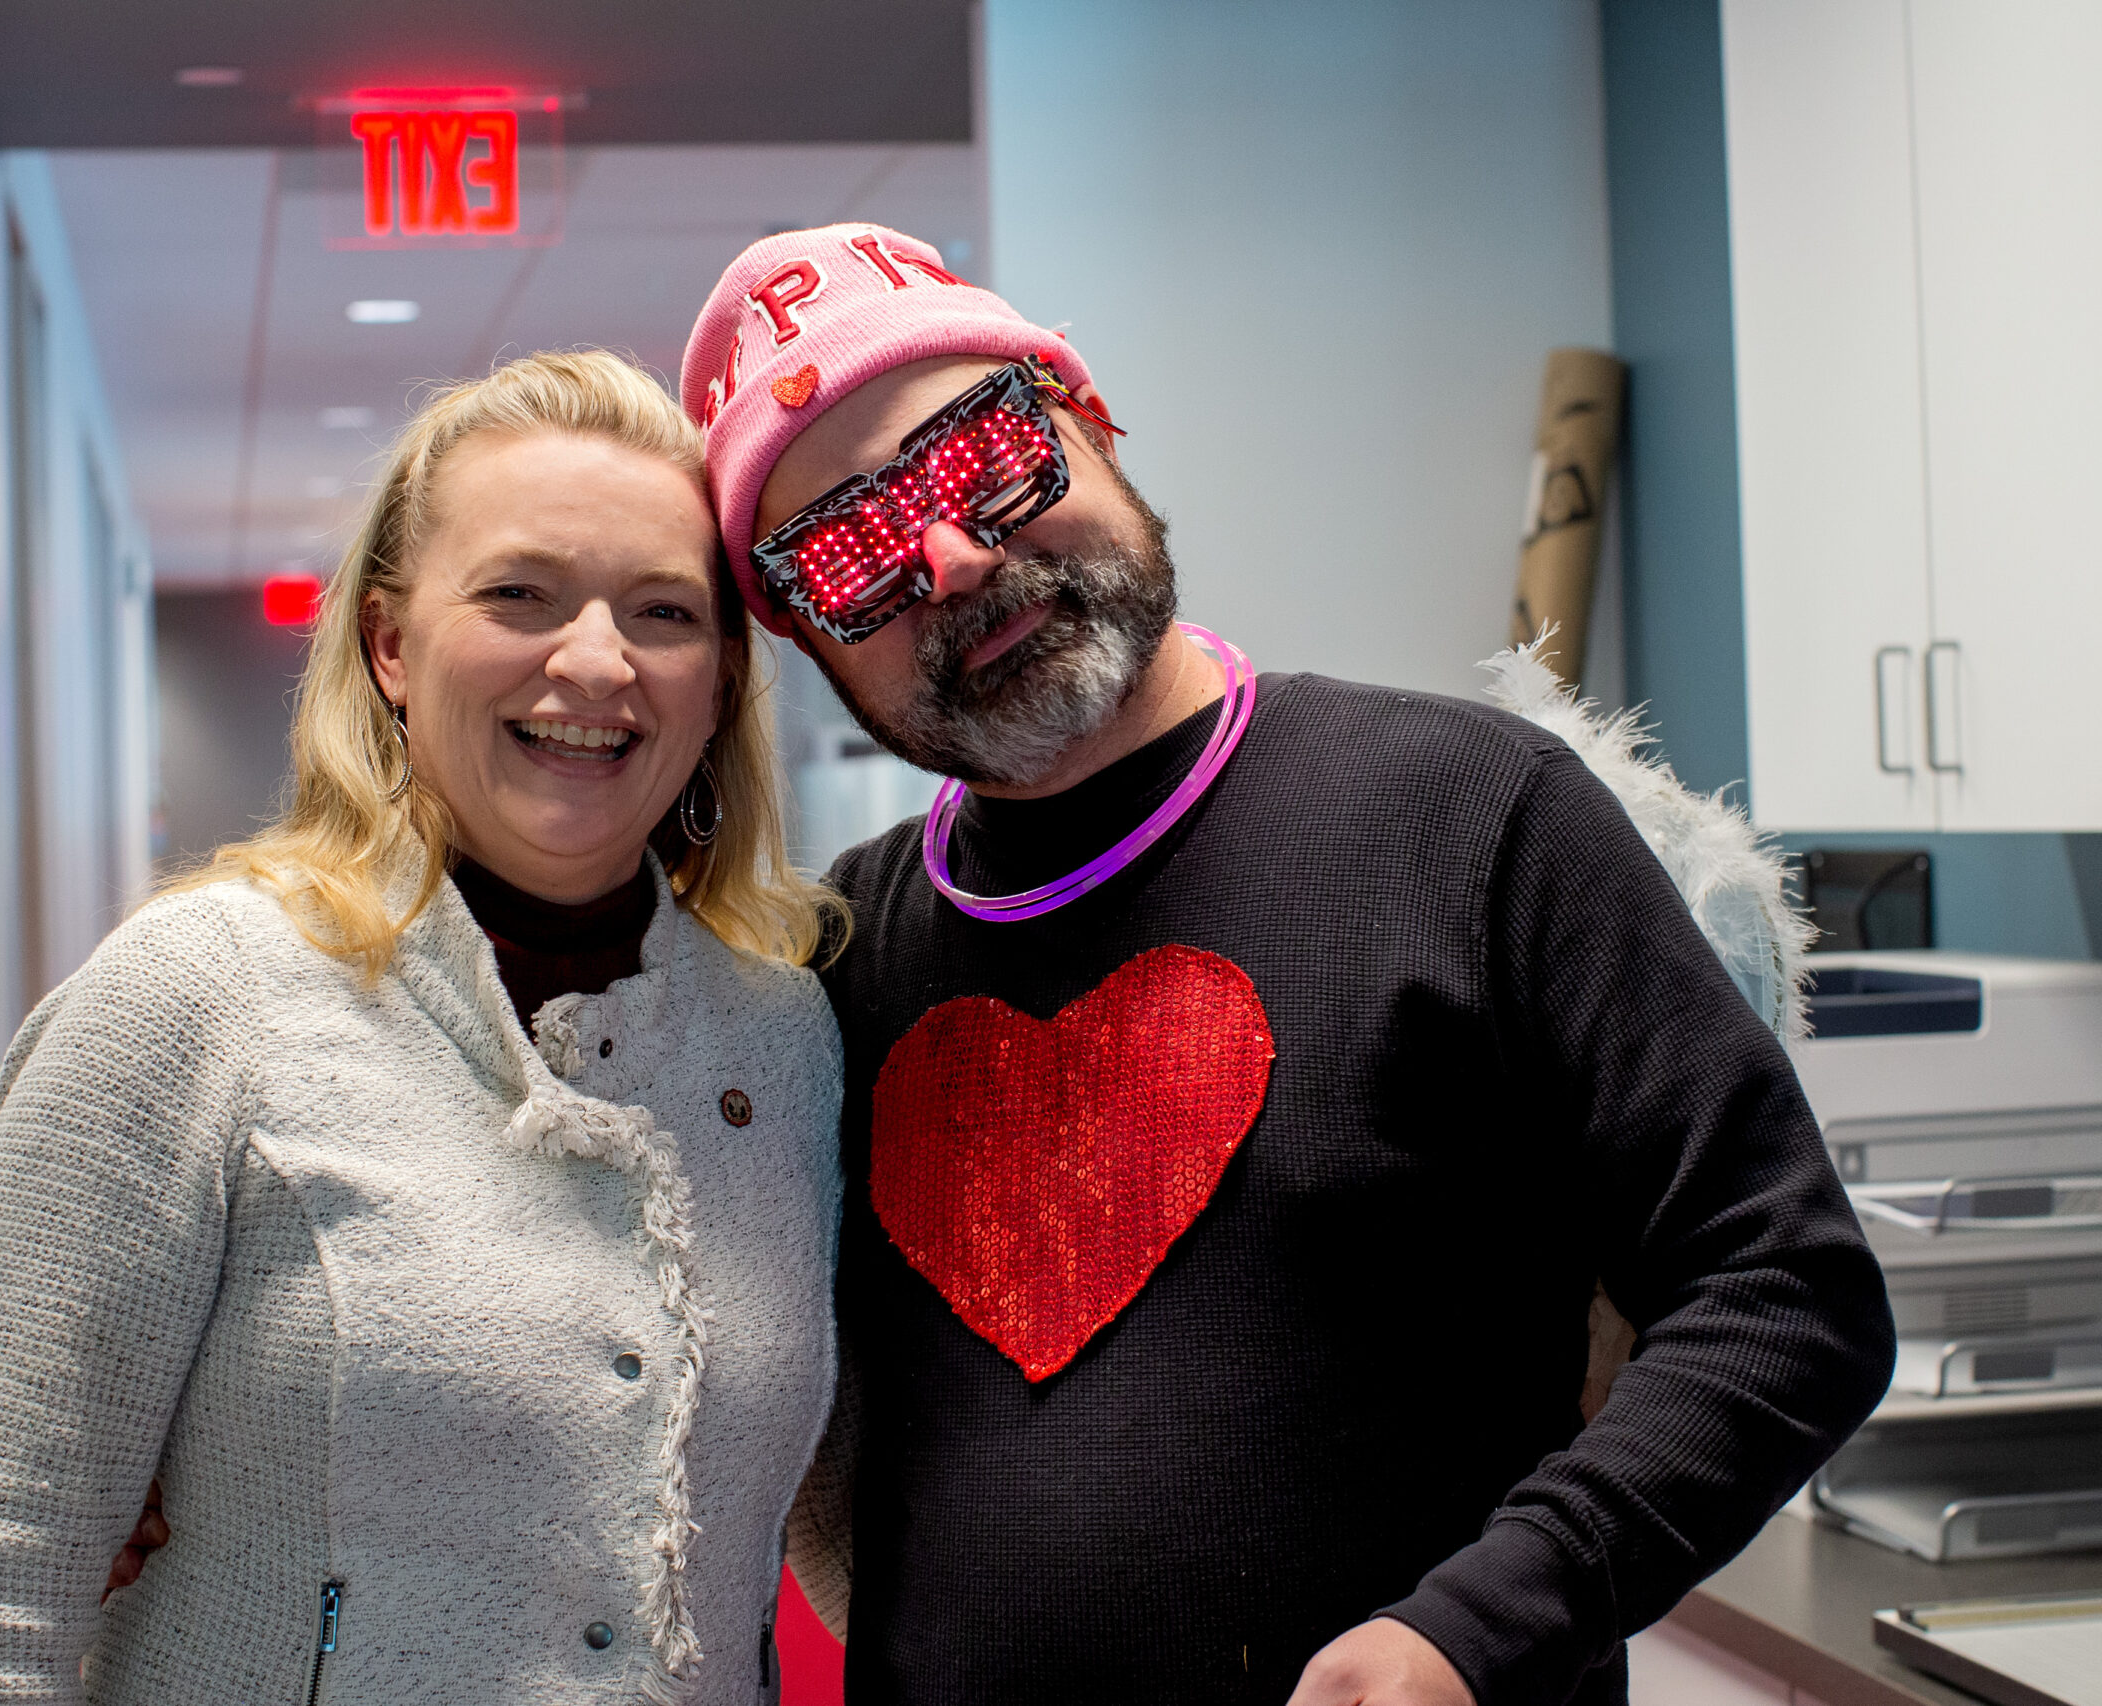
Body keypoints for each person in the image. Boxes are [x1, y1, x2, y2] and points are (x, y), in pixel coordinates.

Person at [678, 227, 1896, 1705]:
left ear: (1091, 419)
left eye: (987, 451)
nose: (953, 555)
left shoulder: (1474, 817)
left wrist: (1478, 1626)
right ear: (806, 638)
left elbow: (1786, 1289)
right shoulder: (830, 977)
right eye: (855, 552)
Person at [0, 350, 847, 1706]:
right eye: (519, 592)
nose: (594, 658)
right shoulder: (192, 999)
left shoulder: (786, 1044)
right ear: (391, 643)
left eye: (663, 611)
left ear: (720, 677)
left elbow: (815, 1532)